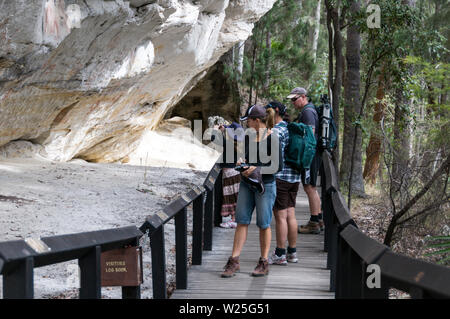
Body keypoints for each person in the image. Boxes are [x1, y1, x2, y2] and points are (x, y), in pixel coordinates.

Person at [221, 104, 282, 278]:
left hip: (265, 186)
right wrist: (243, 162)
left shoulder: (272, 138)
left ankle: (263, 261)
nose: (246, 123)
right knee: (241, 220)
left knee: (263, 223)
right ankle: (234, 260)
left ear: (256, 121)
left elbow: (278, 166)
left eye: (248, 120)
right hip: (246, 183)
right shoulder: (248, 137)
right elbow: (245, 156)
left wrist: (257, 168)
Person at [264, 101, 301, 265]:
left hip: (281, 178)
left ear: (274, 112)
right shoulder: (290, 128)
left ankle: (280, 253)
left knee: (280, 216)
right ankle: (292, 252)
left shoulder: (277, 131)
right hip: (295, 177)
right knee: (290, 214)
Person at [287, 87, 323, 234]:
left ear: (303, 97)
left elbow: (309, 136)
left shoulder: (308, 112)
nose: (293, 102)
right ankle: (319, 220)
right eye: (292, 100)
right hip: (313, 155)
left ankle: (314, 222)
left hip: (310, 156)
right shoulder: (309, 110)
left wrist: (303, 159)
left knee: (309, 187)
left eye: (295, 99)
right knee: (311, 187)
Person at [217, 123, 242, 229]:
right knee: (235, 196)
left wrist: (216, 131)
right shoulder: (238, 142)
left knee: (231, 197)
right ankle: (235, 218)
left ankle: (234, 220)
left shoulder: (229, 143)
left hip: (229, 174)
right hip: (235, 173)